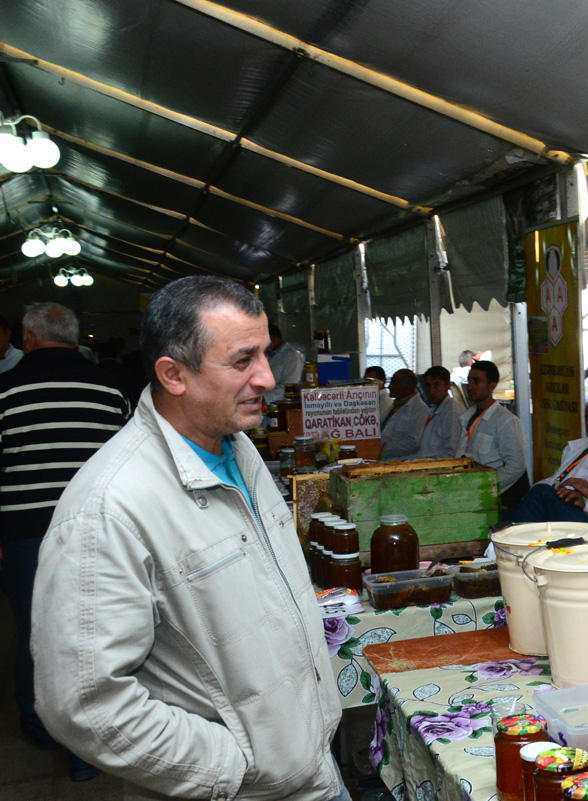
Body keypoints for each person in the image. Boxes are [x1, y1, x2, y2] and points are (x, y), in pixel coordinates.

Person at [30, 276, 346, 800]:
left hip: (312, 771)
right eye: (242, 360)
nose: (267, 377)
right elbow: (82, 701)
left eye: (265, 354)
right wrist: (237, 766)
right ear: (173, 375)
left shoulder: (239, 449)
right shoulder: (108, 508)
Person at [0, 302, 129, 782]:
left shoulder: (6, 391)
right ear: (75, 339)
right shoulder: (112, 390)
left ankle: (40, 724)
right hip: (100, 530)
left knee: (37, 631)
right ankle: (92, 744)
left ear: (28, 339)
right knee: (97, 630)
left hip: (25, 533)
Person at [511, 388, 588, 524]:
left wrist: (570, 494)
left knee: (540, 492)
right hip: (562, 505)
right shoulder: (581, 446)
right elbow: (556, 479)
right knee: (535, 491)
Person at [457, 360, 529, 517]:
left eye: (477, 381)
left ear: (492, 386)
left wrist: (486, 486)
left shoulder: (505, 421)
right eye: (469, 381)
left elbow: (516, 466)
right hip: (467, 492)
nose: (470, 386)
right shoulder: (466, 417)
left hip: (495, 500)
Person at [415, 365, 465, 458]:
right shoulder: (434, 408)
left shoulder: (452, 412)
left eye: (436, 385)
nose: (431, 391)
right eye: (428, 385)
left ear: (448, 386)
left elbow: (452, 452)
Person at [381, 368, 426, 460]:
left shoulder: (419, 409)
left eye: (394, 383)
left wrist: (382, 450)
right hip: (383, 457)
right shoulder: (396, 405)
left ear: (407, 387)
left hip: (400, 460)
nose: (389, 387)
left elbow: (413, 443)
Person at [265, 321, 305, 402]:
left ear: (272, 338)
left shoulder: (292, 357)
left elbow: (290, 388)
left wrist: (264, 398)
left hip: (280, 406)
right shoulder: (269, 354)